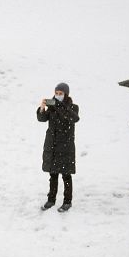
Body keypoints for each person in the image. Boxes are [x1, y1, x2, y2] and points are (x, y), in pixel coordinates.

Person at [37, 83, 80, 212]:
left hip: (65, 146)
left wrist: (57, 104)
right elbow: (41, 118)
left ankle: (67, 201)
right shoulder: (52, 106)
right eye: (56, 93)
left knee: (66, 176)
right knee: (53, 174)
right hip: (52, 145)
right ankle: (51, 200)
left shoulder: (73, 107)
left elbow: (73, 118)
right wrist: (42, 108)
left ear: (66, 94)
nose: (58, 95)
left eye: (61, 93)